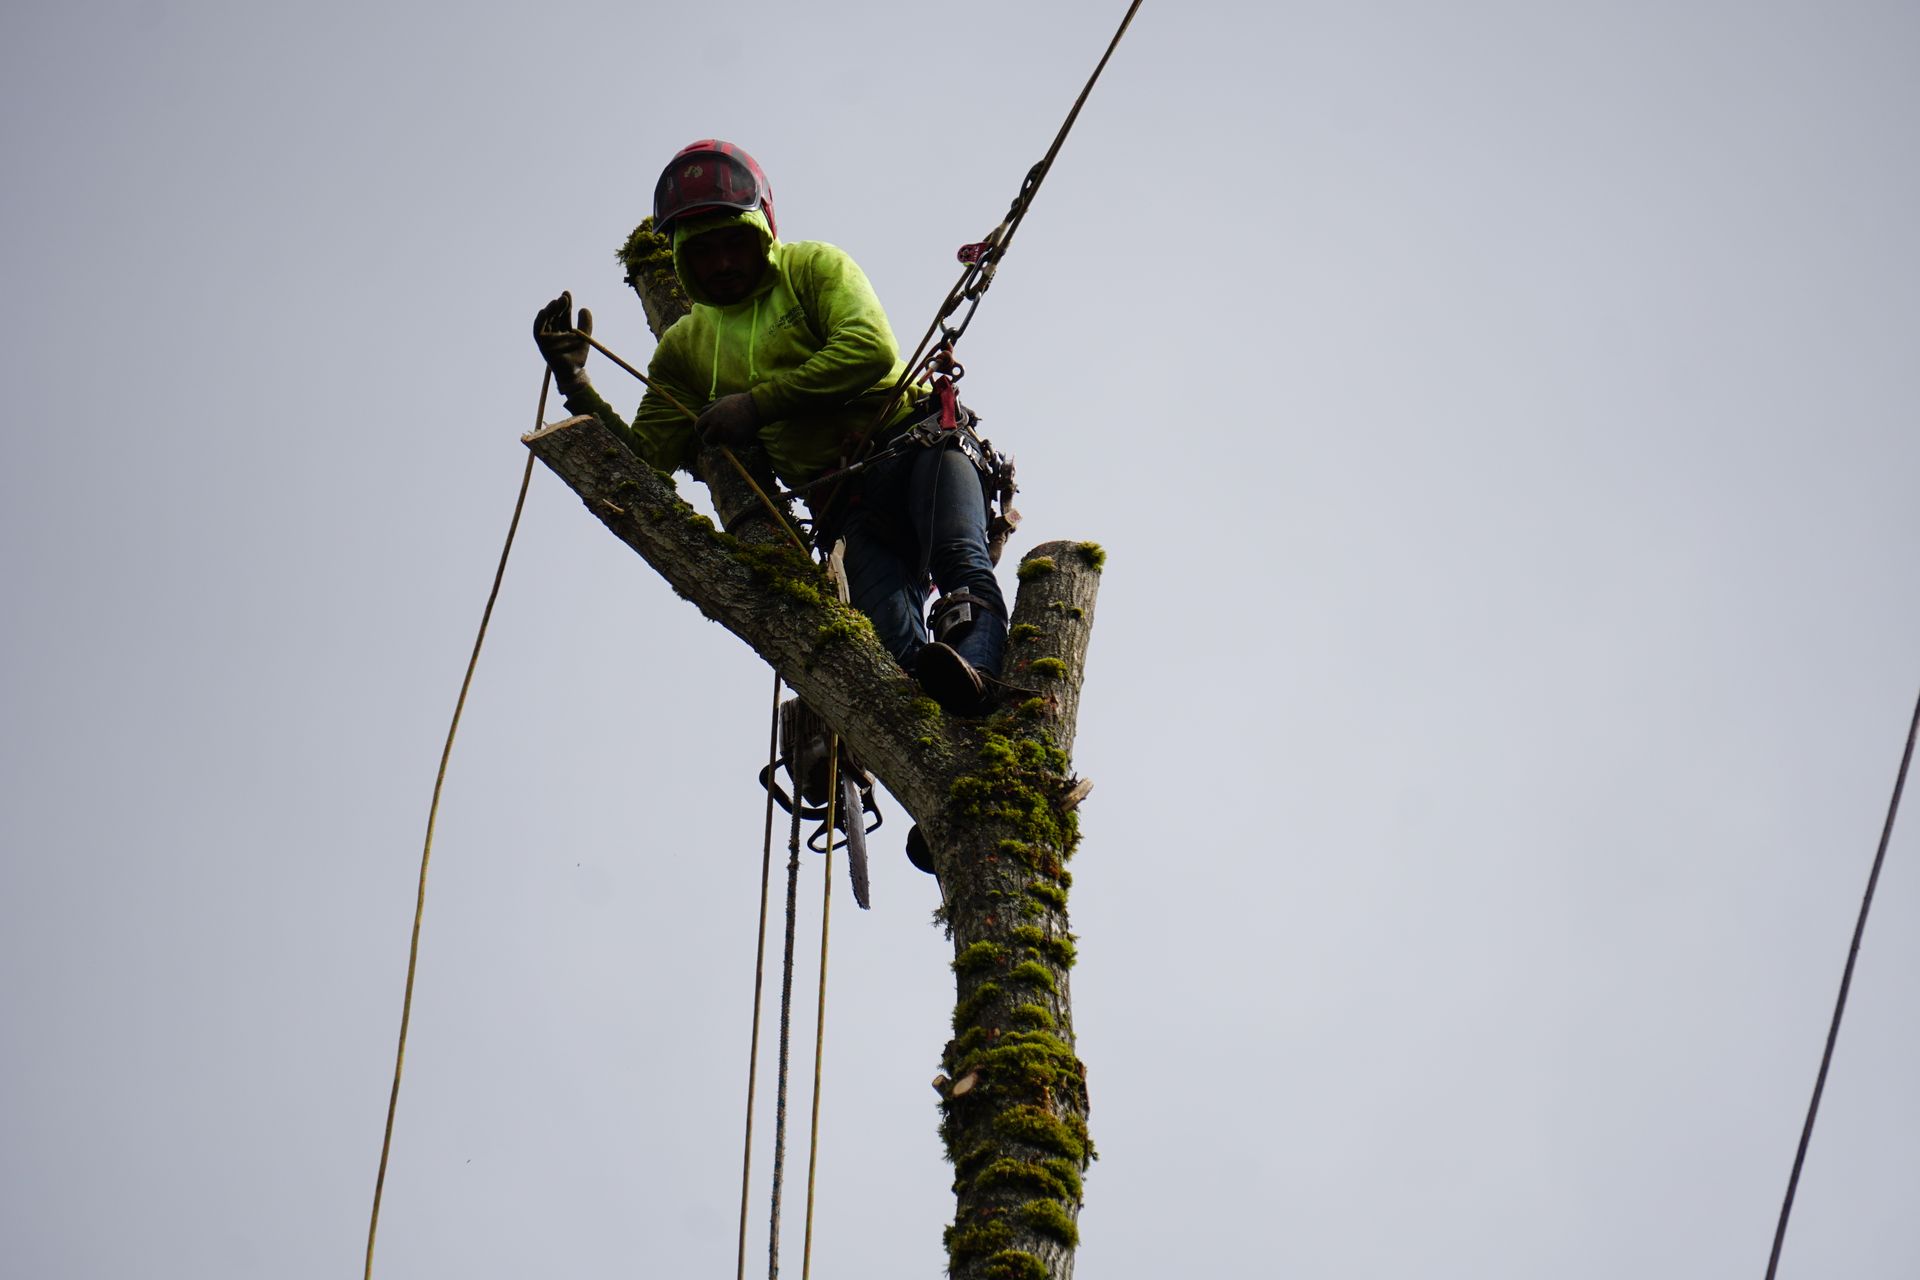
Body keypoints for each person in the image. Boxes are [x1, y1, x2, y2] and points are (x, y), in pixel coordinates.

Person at [532, 140, 1008, 713]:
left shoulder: (811, 267)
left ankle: (975, 675)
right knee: (889, 649)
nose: (724, 264)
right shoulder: (686, 349)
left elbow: (869, 350)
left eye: (736, 242)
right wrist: (576, 384)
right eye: (704, 252)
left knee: (961, 563)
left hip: (917, 445)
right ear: (682, 258)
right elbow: (645, 459)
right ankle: (938, 709)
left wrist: (756, 406)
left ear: (764, 229)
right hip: (847, 505)